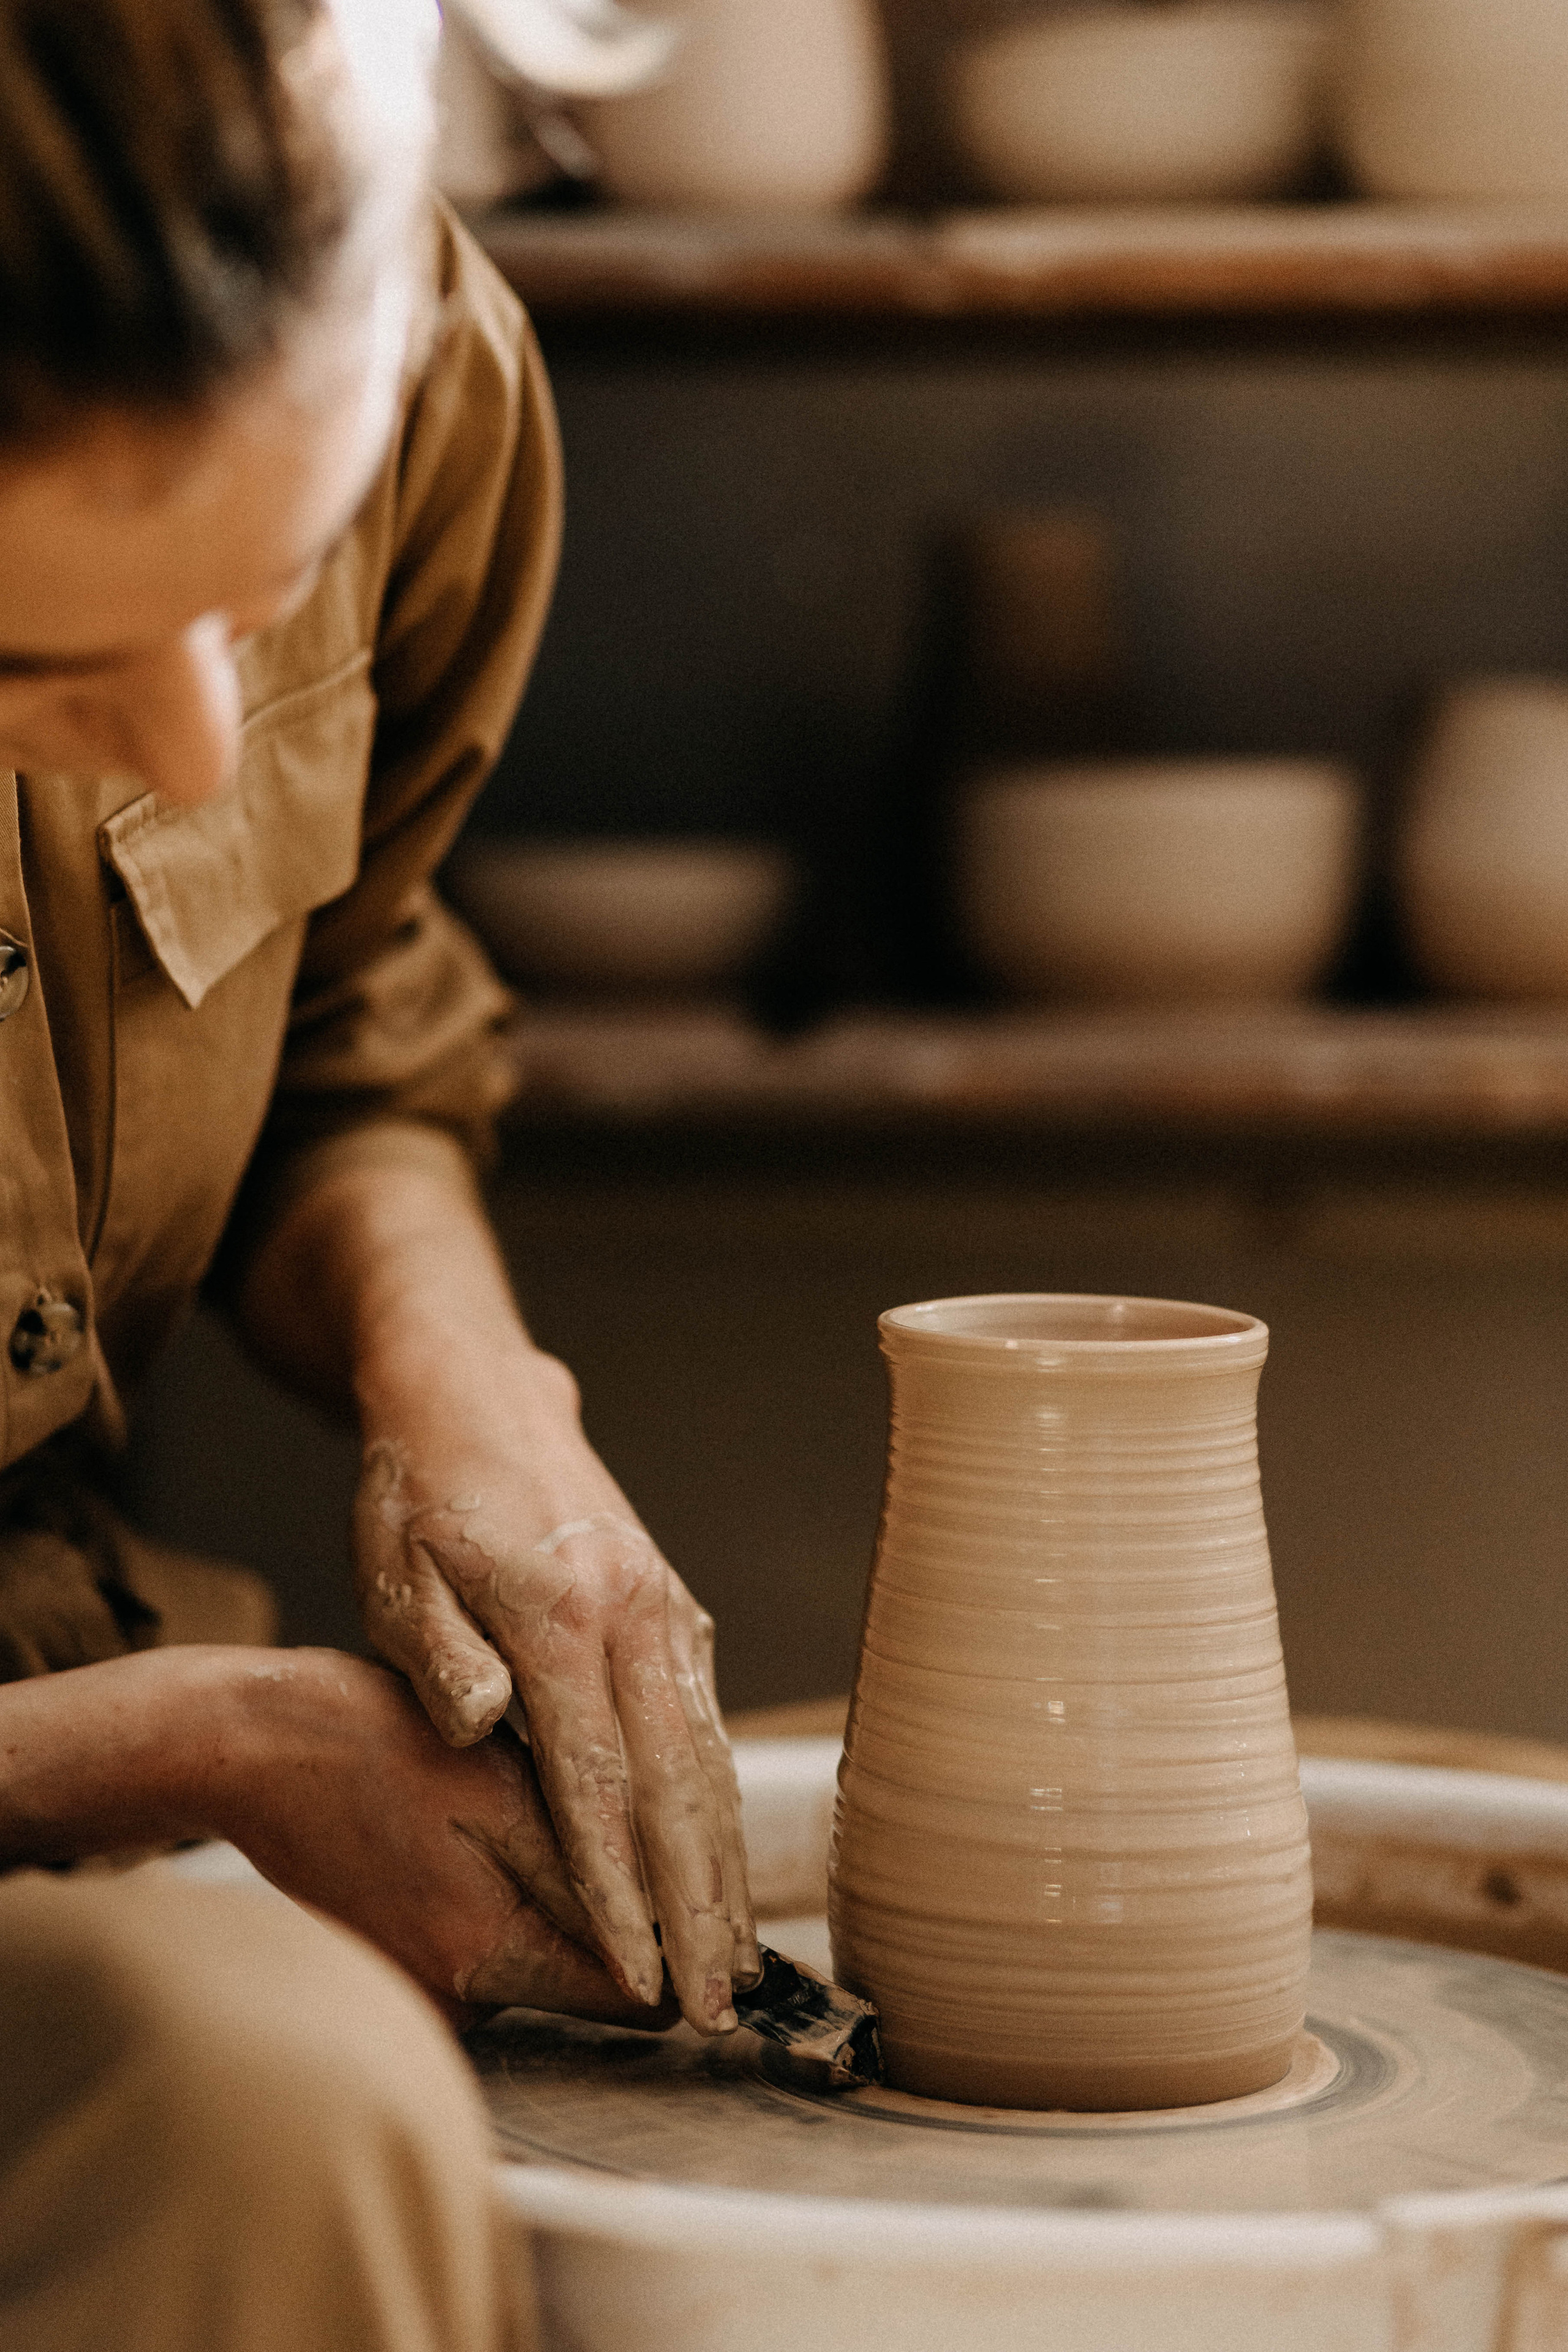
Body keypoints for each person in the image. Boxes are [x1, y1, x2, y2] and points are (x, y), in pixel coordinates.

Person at [0, 1, 757, 2344]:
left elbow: (329, 1012)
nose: (199, 737)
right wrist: (191, 1737)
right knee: (260, 2116)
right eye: (39, 656)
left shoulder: (401, 341)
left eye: (274, 583)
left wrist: (466, 1382)